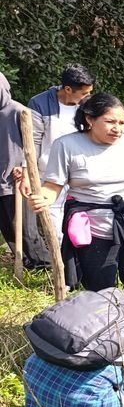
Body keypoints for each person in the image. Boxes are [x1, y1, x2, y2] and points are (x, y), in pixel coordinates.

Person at [27, 92, 124, 298]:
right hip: (94, 233)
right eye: (110, 121)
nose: (118, 128)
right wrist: (42, 197)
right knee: (101, 296)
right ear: (90, 119)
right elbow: (53, 186)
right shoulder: (67, 145)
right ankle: (106, 330)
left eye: (122, 122)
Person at [28, 63, 96, 236]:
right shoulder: (40, 103)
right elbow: (33, 142)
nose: (88, 96)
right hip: (50, 174)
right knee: (55, 225)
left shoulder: (89, 106)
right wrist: (30, 174)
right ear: (67, 89)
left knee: (84, 222)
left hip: (81, 172)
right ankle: (59, 260)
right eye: (84, 93)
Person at [0, 72, 51, 269]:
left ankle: (45, 266)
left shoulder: (18, 111)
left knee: (26, 230)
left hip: (16, 182)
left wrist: (25, 168)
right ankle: (26, 264)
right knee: (7, 228)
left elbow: (34, 144)